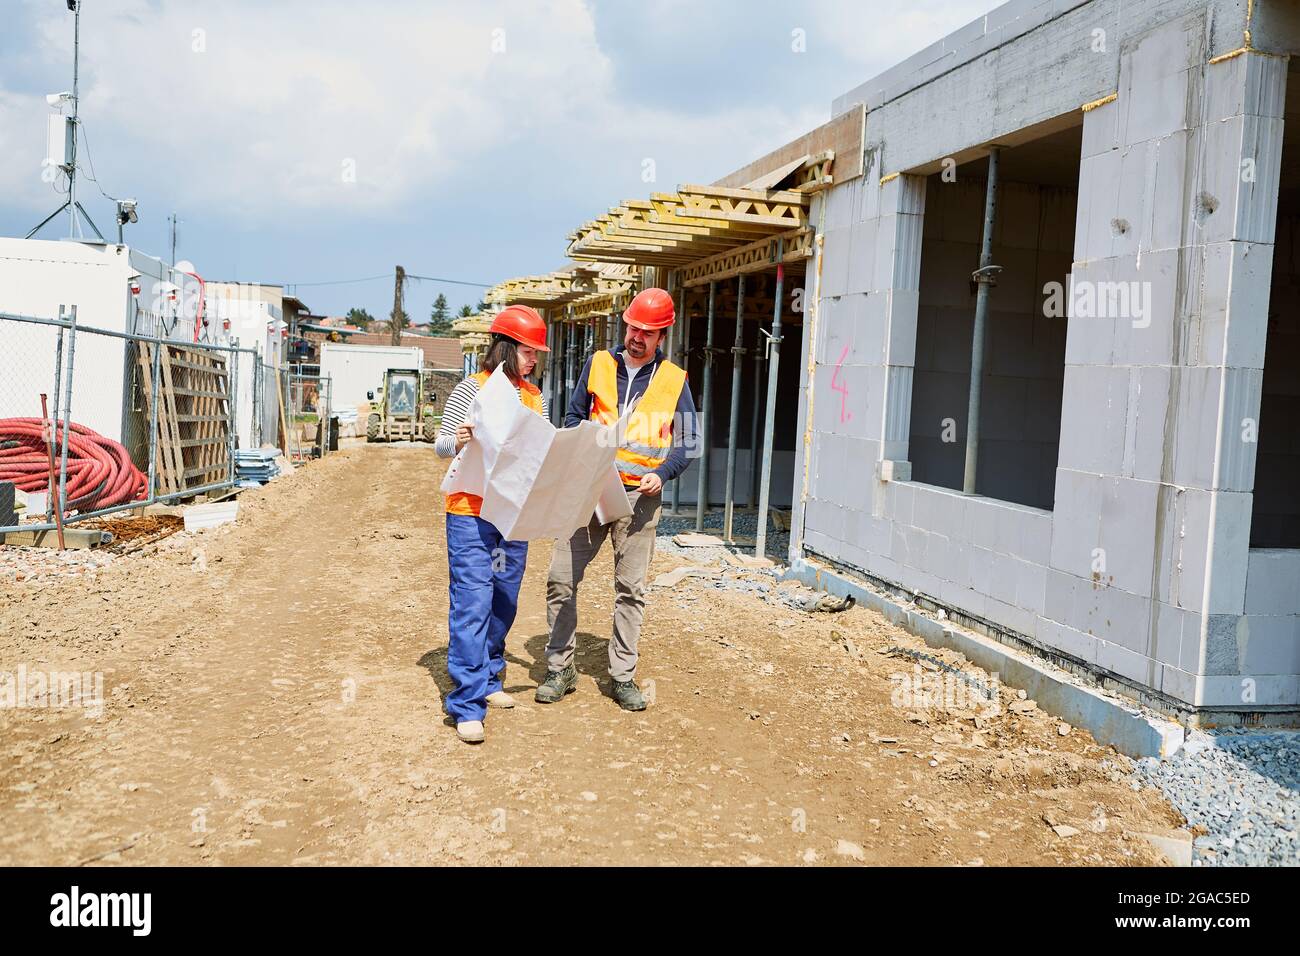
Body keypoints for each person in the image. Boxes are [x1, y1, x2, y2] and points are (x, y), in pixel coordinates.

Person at [535, 287, 697, 711]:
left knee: (630, 588)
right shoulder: (598, 364)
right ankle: (560, 668)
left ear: (663, 335)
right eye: (632, 327)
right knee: (560, 578)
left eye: (647, 331)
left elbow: (689, 442)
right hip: (590, 489)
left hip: (640, 499)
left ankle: (622, 676)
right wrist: (586, 452)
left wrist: (662, 474)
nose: (637, 336)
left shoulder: (674, 380)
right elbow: (573, 417)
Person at [435, 305, 549, 743]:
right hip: (470, 513)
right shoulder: (472, 389)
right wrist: (458, 439)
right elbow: (440, 446)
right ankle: (466, 702)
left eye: (536, 352)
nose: (533, 358)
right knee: (472, 601)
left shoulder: (533, 396)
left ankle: (490, 676)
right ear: (505, 347)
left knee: (503, 598)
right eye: (527, 350)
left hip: (512, 516)